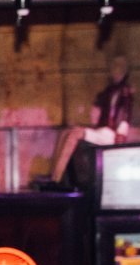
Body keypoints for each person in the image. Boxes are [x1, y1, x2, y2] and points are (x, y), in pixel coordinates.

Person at [47, 55, 134, 183]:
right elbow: (98, 110)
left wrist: (120, 138)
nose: (112, 70)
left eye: (117, 67)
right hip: (103, 130)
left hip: (111, 134)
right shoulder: (110, 90)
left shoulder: (125, 91)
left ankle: (56, 177)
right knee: (65, 132)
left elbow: (125, 115)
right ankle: (53, 173)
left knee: (74, 134)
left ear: (123, 70)